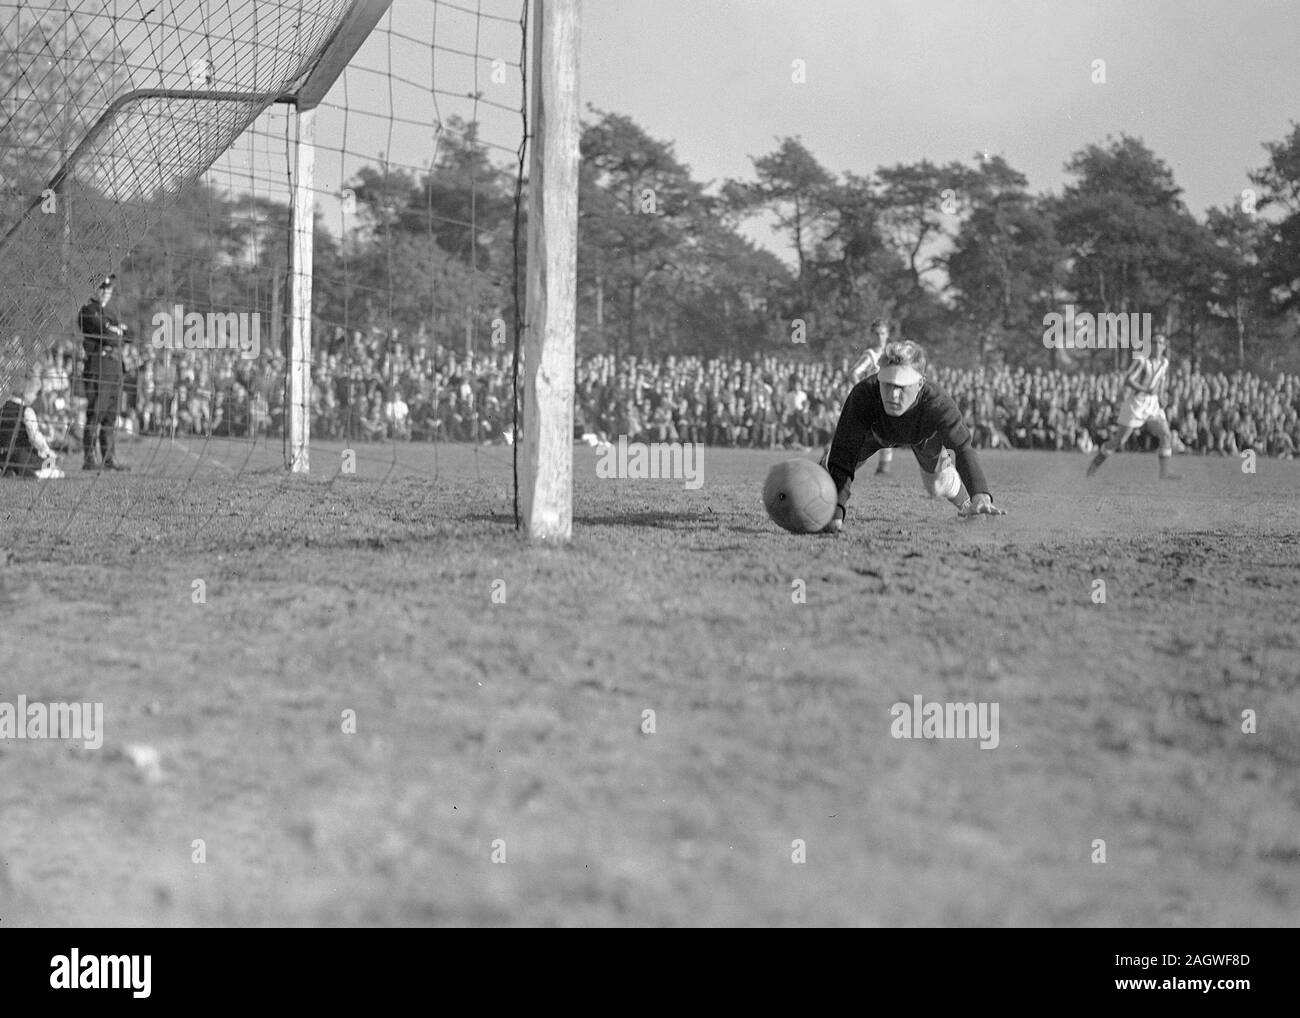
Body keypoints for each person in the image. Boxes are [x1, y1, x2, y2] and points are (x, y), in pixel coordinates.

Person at [821, 340, 1005, 533]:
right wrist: (835, 510)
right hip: (874, 433)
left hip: (922, 437)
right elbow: (844, 453)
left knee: (937, 486)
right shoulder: (863, 394)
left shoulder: (938, 403)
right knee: (827, 471)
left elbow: (963, 448)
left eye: (902, 386)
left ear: (920, 383)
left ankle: (967, 504)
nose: (893, 395)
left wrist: (980, 495)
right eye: (888, 384)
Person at [1087, 332, 1180, 480]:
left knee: (1166, 434)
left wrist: (1162, 396)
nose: (1157, 346)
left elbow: (1161, 380)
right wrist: (1145, 390)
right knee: (1119, 441)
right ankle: (1093, 467)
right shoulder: (1141, 360)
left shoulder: (1165, 363)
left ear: (1164, 346)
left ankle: (1164, 473)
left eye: (1160, 343)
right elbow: (1128, 380)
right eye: (1154, 342)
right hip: (1135, 404)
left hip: (1153, 404)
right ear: (1150, 345)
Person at [79, 274, 132, 471]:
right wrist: (117, 332)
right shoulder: (88, 311)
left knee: (111, 415)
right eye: (101, 288)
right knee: (96, 413)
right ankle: (89, 458)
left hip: (115, 367)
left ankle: (109, 458)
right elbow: (106, 334)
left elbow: (130, 335)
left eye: (108, 289)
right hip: (98, 366)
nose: (105, 292)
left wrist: (116, 332)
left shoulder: (110, 313)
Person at [843, 319, 895, 475]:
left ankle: (883, 469)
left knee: (888, 433)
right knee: (864, 438)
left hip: (885, 400)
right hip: (872, 401)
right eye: (877, 334)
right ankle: (839, 465)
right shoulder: (871, 355)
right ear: (872, 336)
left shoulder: (891, 354)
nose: (880, 337)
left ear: (888, 335)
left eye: (883, 333)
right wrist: (861, 392)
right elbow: (853, 373)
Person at [0, 370, 64, 478]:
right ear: (26, 393)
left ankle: (9, 471)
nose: (36, 397)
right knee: (54, 466)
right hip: (22, 456)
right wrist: (48, 452)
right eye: (35, 393)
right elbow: (35, 438)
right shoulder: (26, 411)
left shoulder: (2, 409)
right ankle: (34, 474)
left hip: (2, 456)